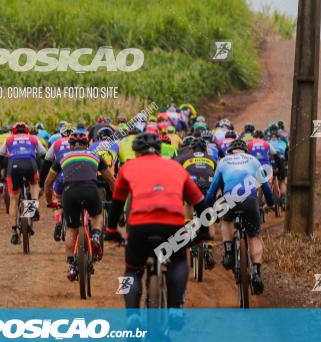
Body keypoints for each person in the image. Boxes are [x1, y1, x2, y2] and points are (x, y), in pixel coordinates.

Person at [105, 133, 205, 314]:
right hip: (173, 224)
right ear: (160, 151)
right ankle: (175, 309)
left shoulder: (128, 167)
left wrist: (111, 229)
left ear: (136, 152)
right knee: (179, 260)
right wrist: (204, 231)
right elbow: (198, 201)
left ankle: (131, 315)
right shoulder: (175, 167)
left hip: (139, 225)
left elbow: (117, 203)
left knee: (131, 271)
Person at [203, 139, 274, 295]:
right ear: (245, 151)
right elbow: (266, 187)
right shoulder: (254, 161)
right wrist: (271, 202)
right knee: (254, 236)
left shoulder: (223, 162)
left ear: (230, 151)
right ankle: (256, 273)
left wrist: (208, 206)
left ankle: (228, 252)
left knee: (226, 219)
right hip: (250, 200)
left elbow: (212, 190)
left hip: (230, 199)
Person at [44, 132, 114, 280]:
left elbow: (48, 183)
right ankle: (95, 236)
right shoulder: (95, 156)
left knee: (72, 228)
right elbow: (111, 180)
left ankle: (71, 266)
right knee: (97, 215)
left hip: (70, 192)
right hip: (90, 190)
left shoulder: (63, 157)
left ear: (70, 146)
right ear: (87, 145)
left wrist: (49, 201)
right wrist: (115, 198)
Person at [0, 122, 46, 245]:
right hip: (30, 164)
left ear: (13, 131)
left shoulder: (9, 139)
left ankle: (14, 232)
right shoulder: (33, 138)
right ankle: (32, 207)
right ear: (27, 131)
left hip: (14, 166)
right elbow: (44, 155)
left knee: (13, 198)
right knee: (34, 184)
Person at [175, 137, 217, 269]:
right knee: (209, 215)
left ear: (191, 149)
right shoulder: (211, 158)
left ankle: (188, 227)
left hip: (192, 187)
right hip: (207, 187)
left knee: (188, 204)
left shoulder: (185, 156)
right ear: (205, 149)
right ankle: (209, 251)